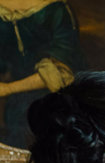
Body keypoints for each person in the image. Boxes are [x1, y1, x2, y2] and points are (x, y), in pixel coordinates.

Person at [0, 0, 85, 148]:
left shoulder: (54, 10)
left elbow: (59, 72)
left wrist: (8, 88)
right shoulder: (3, 12)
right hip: (14, 109)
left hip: (56, 103)